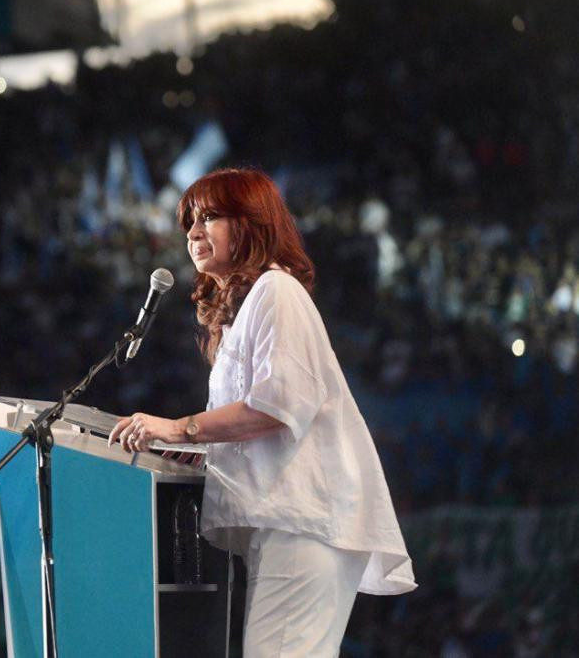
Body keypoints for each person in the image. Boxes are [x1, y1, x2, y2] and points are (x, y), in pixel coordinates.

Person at [108, 167, 416, 657]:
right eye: (189, 221)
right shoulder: (248, 306)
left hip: (303, 522)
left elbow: (279, 404)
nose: (192, 233)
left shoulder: (277, 291)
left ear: (251, 222)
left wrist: (181, 429)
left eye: (209, 217)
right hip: (290, 525)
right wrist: (200, 452)